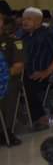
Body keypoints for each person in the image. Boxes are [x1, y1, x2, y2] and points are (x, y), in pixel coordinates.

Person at [21, 8, 53, 130]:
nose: (24, 22)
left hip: (44, 75)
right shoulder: (23, 36)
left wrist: (47, 72)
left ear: (38, 20)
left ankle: (41, 118)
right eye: (24, 19)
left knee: (25, 84)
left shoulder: (47, 34)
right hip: (25, 73)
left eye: (29, 19)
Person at [0, 14, 25, 145]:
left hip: (8, 78)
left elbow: (18, 67)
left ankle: (6, 131)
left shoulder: (13, 41)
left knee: (9, 87)